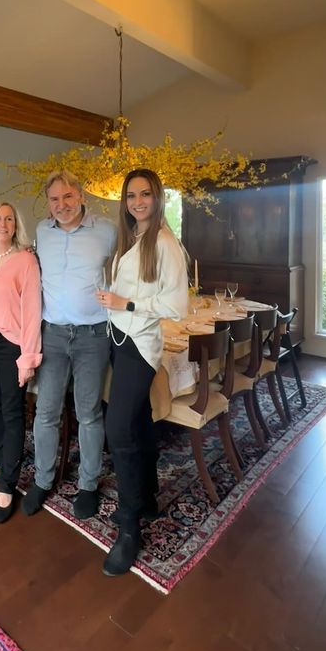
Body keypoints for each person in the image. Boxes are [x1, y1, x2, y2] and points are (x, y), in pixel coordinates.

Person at [96, 168, 188, 575]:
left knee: (117, 430)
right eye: (131, 195)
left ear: (158, 198)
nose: (137, 202)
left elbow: (176, 307)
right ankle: (147, 500)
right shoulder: (129, 238)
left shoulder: (165, 243)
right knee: (138, 423)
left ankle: (130, 526)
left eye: (145, 194)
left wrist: (126, 305)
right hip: (117, 339)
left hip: (140, 345)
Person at [22, 171, 118, 520]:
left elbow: (125, 269)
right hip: (54, 334)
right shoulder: (41, 232)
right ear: (48, 204)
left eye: (67, 196)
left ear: (80, 196)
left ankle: (88, 485)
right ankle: (43, 479)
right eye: (54, 199)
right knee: (47, 411)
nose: (61, 204)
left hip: (94, 335)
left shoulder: (107, 230)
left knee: (89, 412)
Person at [0, 201, 42, 523]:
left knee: (13, 413)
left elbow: (32, 311)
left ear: (16, 225)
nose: (2, 223)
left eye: (9, 219)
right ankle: (1, 459)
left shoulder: (26, 260)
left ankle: (8, 483)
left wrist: (28, 358)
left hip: (11, 344)